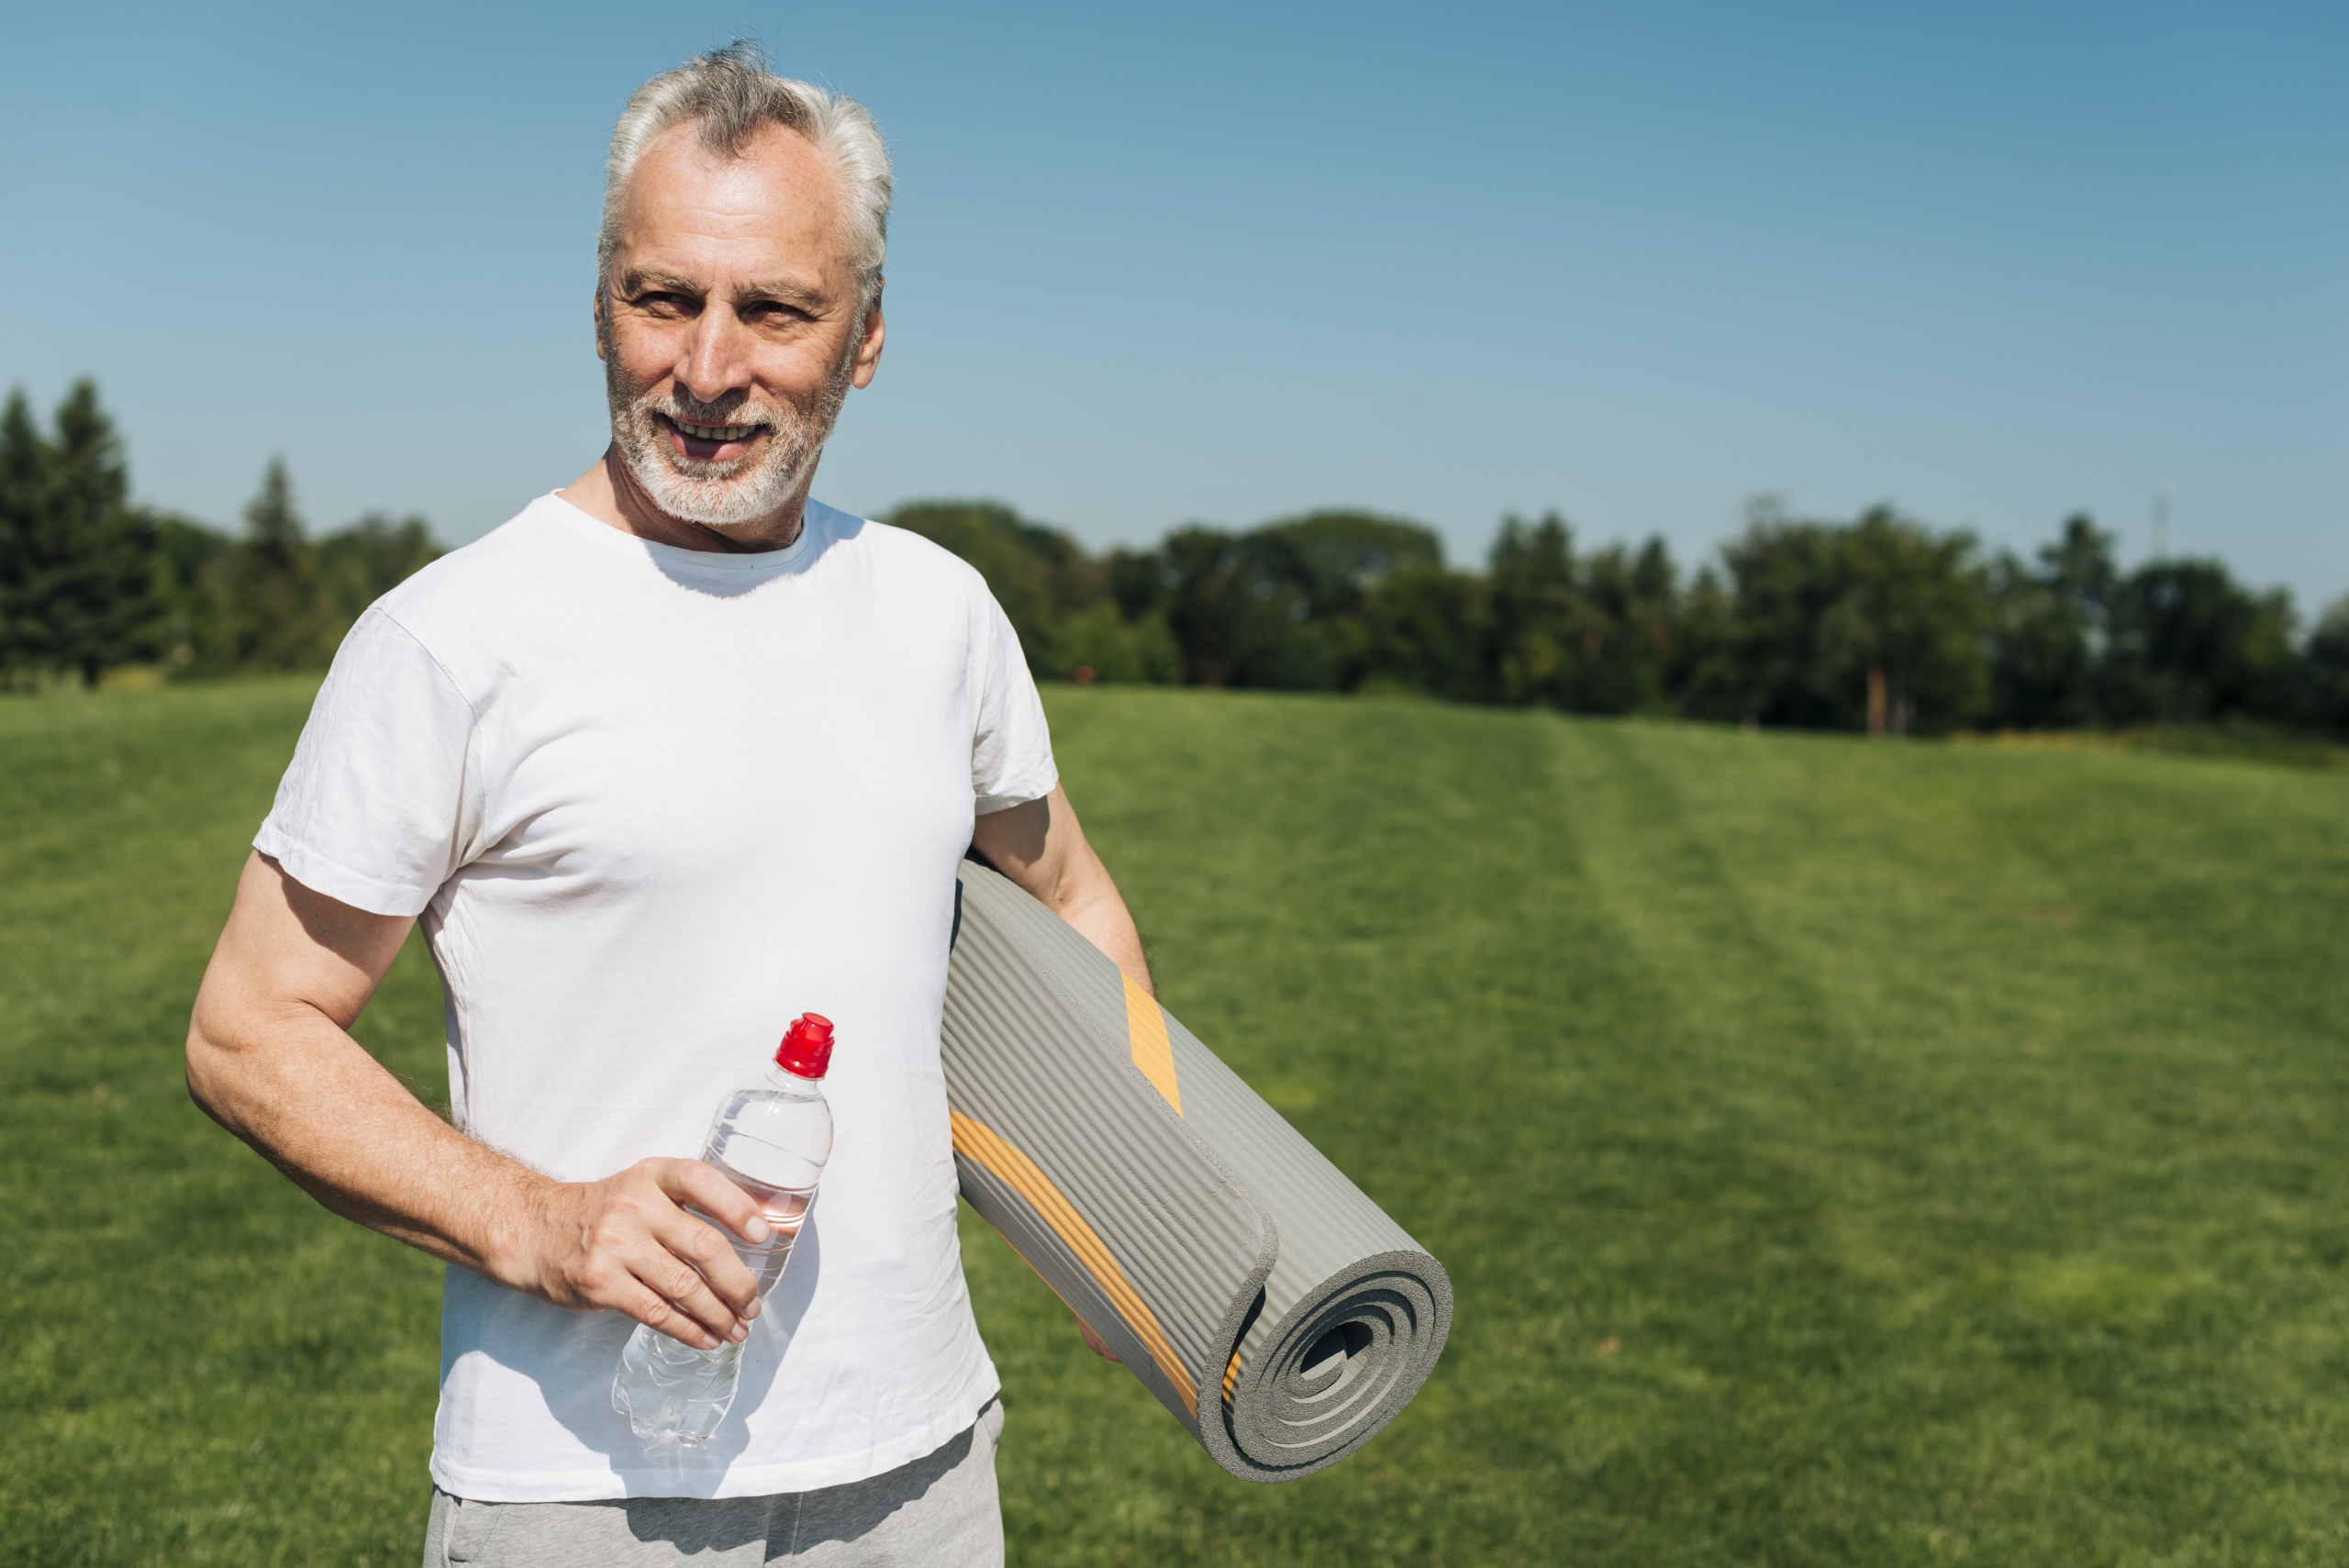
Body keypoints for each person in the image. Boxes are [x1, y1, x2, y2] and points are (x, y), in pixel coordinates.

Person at [184, 43, 1141, 1567]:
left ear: (866, 339)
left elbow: (1070, 895)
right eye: (662, 298)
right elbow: (249, 1029)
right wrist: (541, 1223)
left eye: (775, 310)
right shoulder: (452, 638)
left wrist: (1127, 1219)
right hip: (582, 1493)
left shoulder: (940, 611)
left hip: (925, 1469)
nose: (706, 368)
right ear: (598, 311)